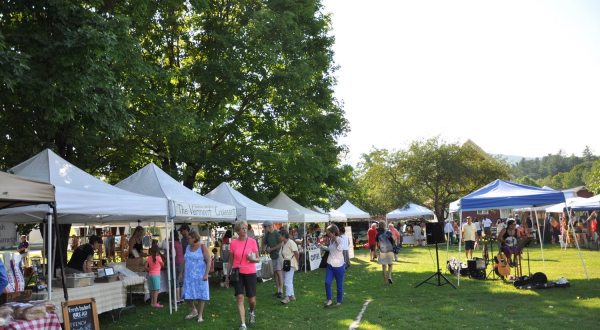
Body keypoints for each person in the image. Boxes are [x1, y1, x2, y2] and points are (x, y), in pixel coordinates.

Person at [226, 221, 259, 330]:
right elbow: (230, 261)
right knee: (240, 297)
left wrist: (252, 259)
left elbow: (258, 259)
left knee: (252, 300)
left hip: (250, 272)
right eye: (242, 228)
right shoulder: (233, 243)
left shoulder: (253, 242)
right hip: (237, 273)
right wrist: (227, 276)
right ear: (237, 231)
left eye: (245, 228)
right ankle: (243, 324)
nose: (244, 230)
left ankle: (251, 311)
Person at [182, 231, 211, 322]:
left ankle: (200, 315)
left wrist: (206, 274)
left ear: (194, 238)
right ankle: (193, 310)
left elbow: (209, 261)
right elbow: (185, 260)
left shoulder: (202, 247)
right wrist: (180, 273)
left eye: (189, 238)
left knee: (201, 296)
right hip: (189, 276)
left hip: (200, 276)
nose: (188, 240)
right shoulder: (187, 247)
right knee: (187, 295)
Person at [323, 224, 345, 307]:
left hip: (339, 266)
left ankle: (339, 301)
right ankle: (329, 300)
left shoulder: (340, 240)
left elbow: (339, 249)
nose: (327, 234)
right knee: (327, 282)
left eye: (329, 233)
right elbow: (330, 249)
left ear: (333, 233)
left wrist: (336, 239)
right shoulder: (331, 240)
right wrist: (323, 247)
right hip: (330, 265)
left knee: (339, 285)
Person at [262, 221, 283, 298]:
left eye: (264, 227)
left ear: (269, 226)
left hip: (278, 256)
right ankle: (278, 290)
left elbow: (281, 243)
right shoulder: (267, 234)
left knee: (279, 273)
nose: (264, 228)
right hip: (272, 256)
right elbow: (264, 242)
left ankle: (281, 291)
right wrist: (263, 248)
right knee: (275, 274)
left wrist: (272, 249)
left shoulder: (276, 233)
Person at [278, 229, 299, 304]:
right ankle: (292, 296)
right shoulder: (283, 243)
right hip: (286, 264)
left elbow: (296, 253)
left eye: (280, 235)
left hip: (291, 264)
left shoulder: (291, 242)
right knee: (288, 280)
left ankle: (287, 297)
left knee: (287, 281)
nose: (279, 237)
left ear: (283, 236)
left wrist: (297, 262)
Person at [145, 240, 164, 308]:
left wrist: (149, 270)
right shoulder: (159, 258)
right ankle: (155, 303)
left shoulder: (149, 258)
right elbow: (163, 265)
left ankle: (152, 302)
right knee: (156, 290)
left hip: (150, 275)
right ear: (157, 251)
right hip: (156, 275)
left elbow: (145, 267)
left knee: (152, 290)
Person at [172, 230, 184, 304]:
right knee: (181, 281)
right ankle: (181, 298)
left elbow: (172, 255)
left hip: (176, 262)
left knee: (176, 281)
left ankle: (177, 299)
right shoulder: (180, 243)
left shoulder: (173, 244)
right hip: (182, 262)